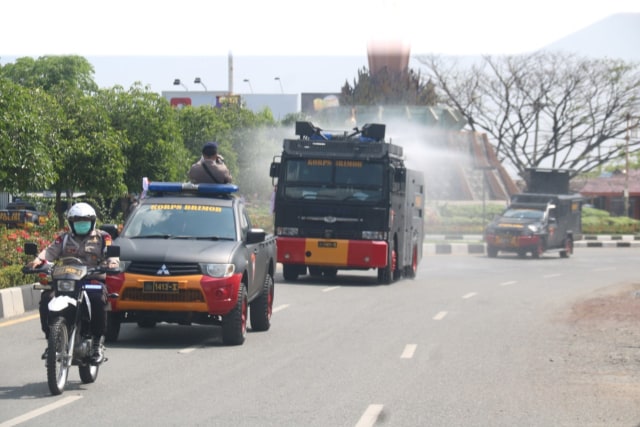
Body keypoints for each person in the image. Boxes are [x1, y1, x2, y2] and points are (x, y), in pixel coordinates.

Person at [26, 202, 119, 364]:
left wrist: (112, 263)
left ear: (92, 221)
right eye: (77, 221)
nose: (81, 224)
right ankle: (52, 341)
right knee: (47, 298)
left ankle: (96, 343)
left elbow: (111, 254)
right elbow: (49, 252)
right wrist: (37, 260)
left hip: (92, 278)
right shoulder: (64, 238)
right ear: (71, 223)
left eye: (85, 221)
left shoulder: (103, 237)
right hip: (67, 278)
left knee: (97, 299)